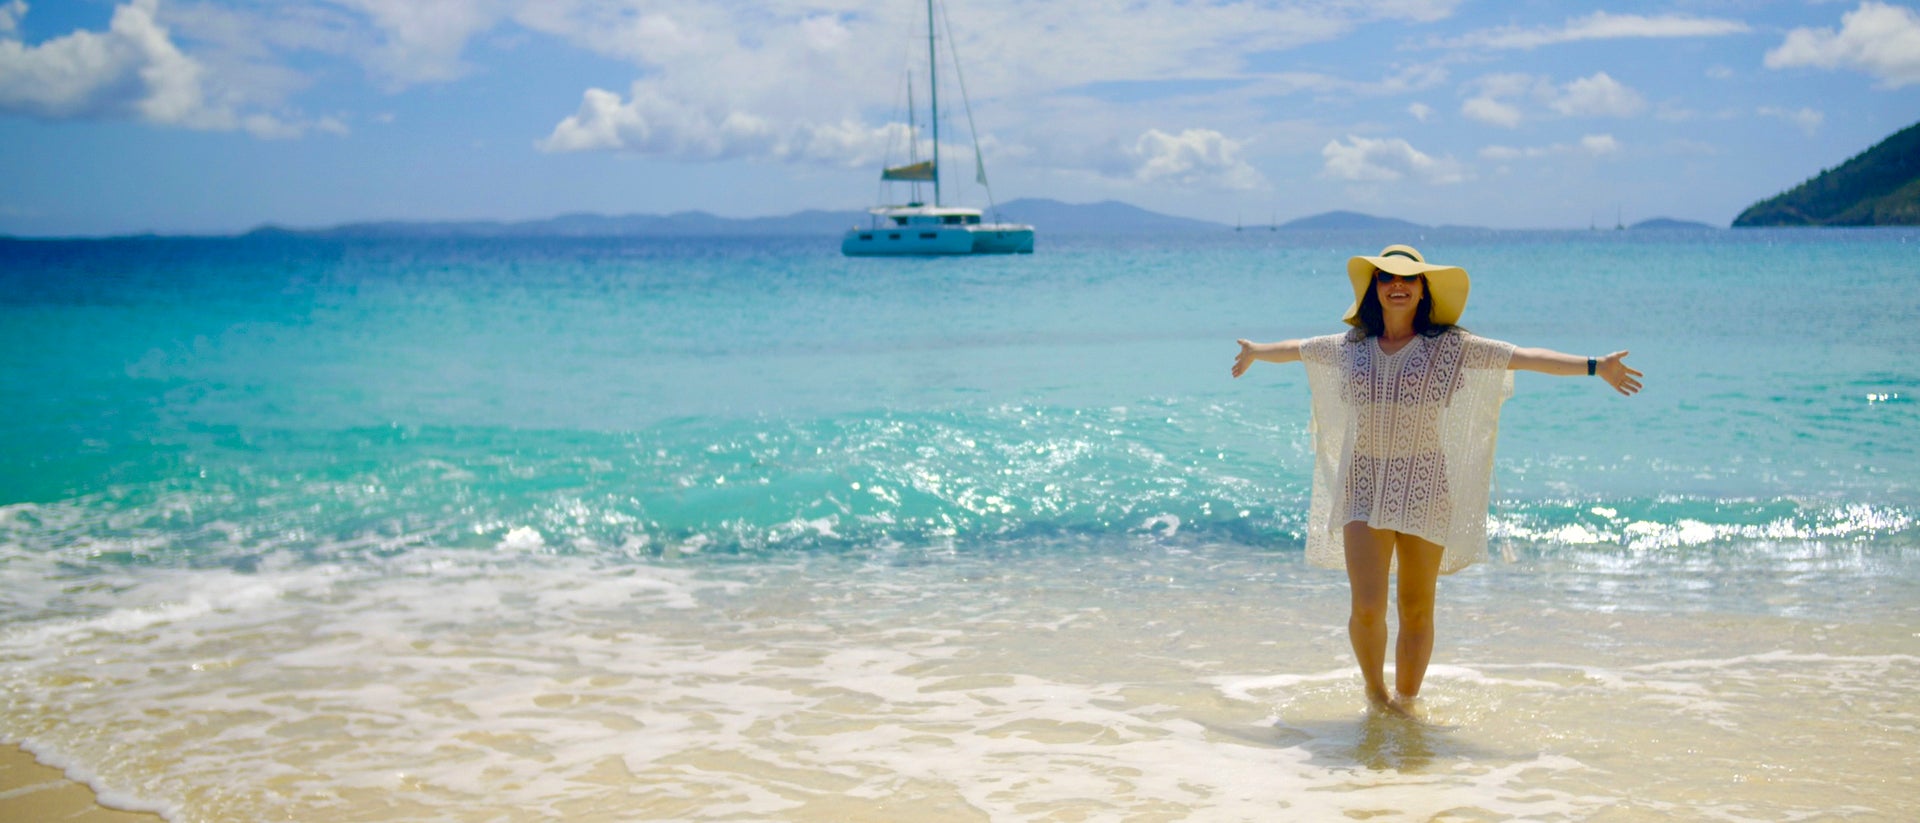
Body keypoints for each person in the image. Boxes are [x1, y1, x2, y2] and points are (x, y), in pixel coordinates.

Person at [1230, 244, 1642, 716]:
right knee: (1366, 606)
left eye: (1409, 278)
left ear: (1424, 289)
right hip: (1362, 483)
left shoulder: (1452, 348)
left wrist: (1596, 366)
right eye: (1387, 278)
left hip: (1425, 483)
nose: (1397, 285)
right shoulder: (1349, 348)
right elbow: (1297, 350)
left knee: (1416, 608)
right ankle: (1375, 694)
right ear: (1375, 289)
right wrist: (1256, 352)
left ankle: (1406, 705)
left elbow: (1525, 358)